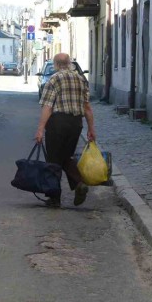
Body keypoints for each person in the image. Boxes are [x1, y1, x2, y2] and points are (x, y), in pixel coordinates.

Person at [34, 52, 96, 208]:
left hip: (58, 123)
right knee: (65, 156)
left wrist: (40, 129)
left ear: (55, 64)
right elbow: (87, 107)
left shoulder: (54, 80)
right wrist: (91, 129)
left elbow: (48, 107)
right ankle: (78, 184)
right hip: (76, 124)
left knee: (54, 160)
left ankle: (55, 198)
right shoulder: (81, 80)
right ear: (69, 63)